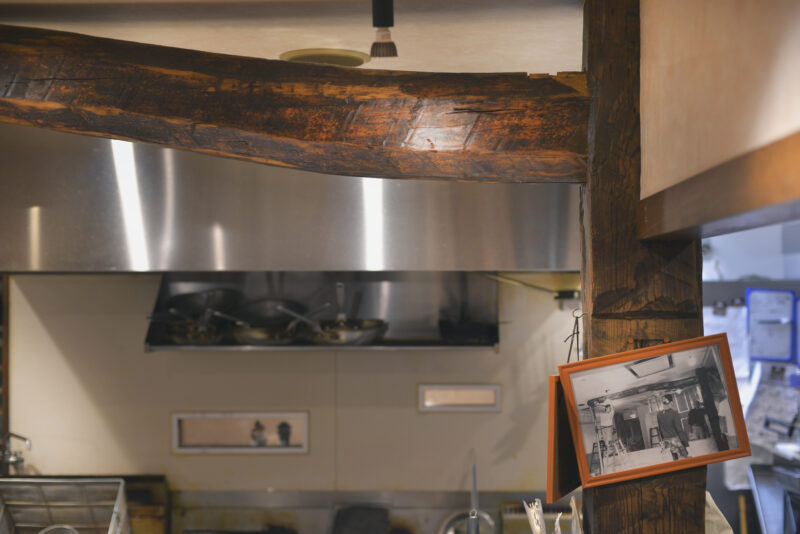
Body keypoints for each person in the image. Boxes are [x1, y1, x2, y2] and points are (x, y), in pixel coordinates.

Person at [657, 395, 688, 460]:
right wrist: (684, 442)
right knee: (684, 457)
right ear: (671, 403)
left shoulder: (659, 414)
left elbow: (660, 430)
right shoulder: (674, 413)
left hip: (666, 440)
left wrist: (663, 440)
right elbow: (679, 429)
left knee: (675, 458)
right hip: (675, 439)